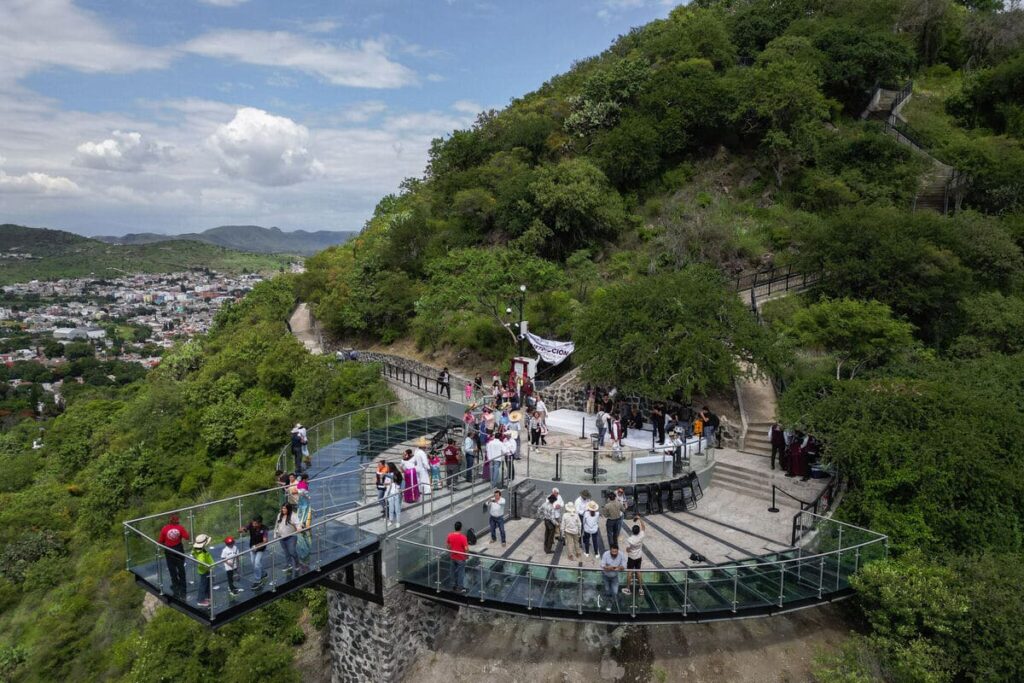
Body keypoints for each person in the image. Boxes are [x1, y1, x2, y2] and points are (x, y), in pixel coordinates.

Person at [158, 513, 190, 598]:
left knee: (172, 568)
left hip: (169, 550)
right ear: (177, 521)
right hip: (179, 549)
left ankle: (175, 586)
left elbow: (160, 541)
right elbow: (187, 537)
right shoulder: (180, 528)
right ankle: (183, 587)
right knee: (181, 568)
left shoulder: (165, 529)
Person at [239, 515, 268, 588]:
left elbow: (265, 541)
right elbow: (245, 529)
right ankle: (264, 573)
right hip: (252, 547)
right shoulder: (251, 525)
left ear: (259, 523)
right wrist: (242, 529)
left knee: (257, 563)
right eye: (253, 523)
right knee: (253, 563)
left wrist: (257, 546)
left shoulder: (264, 529)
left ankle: (258, 580)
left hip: (260, 548)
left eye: (255, 524)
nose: (253, 525)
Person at [275, 502, 303, 574]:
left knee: (292, 551)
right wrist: (276, 533)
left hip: (291, 537)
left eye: (284, 508)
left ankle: (297, 563)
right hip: (282, 537)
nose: (283, 509)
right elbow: (277, 524)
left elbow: (298, 523)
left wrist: (299, 528)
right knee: (286, 552)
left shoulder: (293, 515)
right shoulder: (279, 515)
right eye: (282, 508)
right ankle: (289, 564)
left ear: (288, 508)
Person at [622, 517, 646, 596]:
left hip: (632, 557)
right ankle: (641, 589)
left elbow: (628, 550)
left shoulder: (630, 539)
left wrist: (628, 549)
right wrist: (639, 519)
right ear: (639, 531)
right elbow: (643, 527)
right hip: (639, 556)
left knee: (629, 572)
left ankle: (628, 588)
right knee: (638, 572)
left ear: (632, 531)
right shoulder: (641, 535)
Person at [600, 545, 627, 611]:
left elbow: (624, 566)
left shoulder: (621, 555)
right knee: (607, 590)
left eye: (615, 552)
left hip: (615, 576)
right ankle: (614, 598)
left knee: (615, 591)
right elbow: (602, 564)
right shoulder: (606, 554)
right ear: (610, 550)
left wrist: (618, 568)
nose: (614, 553)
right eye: (613, 551)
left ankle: (610, 602)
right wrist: (608, 567)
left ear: (618, 551)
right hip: (605, 575)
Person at [191, 533, 214, 607]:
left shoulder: (197, 550)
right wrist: (208, 567)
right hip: (205, 571)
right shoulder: (201, 554)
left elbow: (193, 553)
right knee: (203, 585)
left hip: (204, 571)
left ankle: (207, 597)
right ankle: (200, 600)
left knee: (207, 583)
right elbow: (201, 563)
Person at [446, 521, 469, 593]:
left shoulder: (450, 535)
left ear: (454, 527)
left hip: (453, 556)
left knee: (453, 571)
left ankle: (453, 585)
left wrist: (452, 549)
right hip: (461, 558)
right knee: (461, 573)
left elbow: (448, 546)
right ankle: (460, 587)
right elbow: (466, 549)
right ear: (461, 528)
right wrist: (466, 555)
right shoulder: (463, 537)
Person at [385, 464, 402, 528]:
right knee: (391, 508)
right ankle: (390, 520)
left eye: (387, 467)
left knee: (397, 509)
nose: (387, 468)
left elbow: (400, 480)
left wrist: (400, 488)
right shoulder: (388, 474)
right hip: (390, 493)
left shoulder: (397, 473)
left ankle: (398, 522)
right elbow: (385, 484)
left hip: (397, 493)